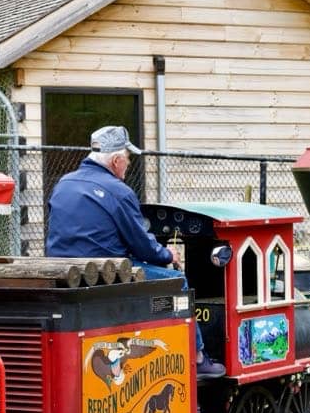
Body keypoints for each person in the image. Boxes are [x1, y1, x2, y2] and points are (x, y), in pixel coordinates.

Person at [46, 125, 226, 378]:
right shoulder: (119, 191)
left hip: (64, 270)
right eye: (127, 159)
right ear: (116, 160)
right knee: (177, 281)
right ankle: (196, 357)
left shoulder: (63, 184)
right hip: (105, 274)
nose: (128, 164)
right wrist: (167, 254)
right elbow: (141, 244)